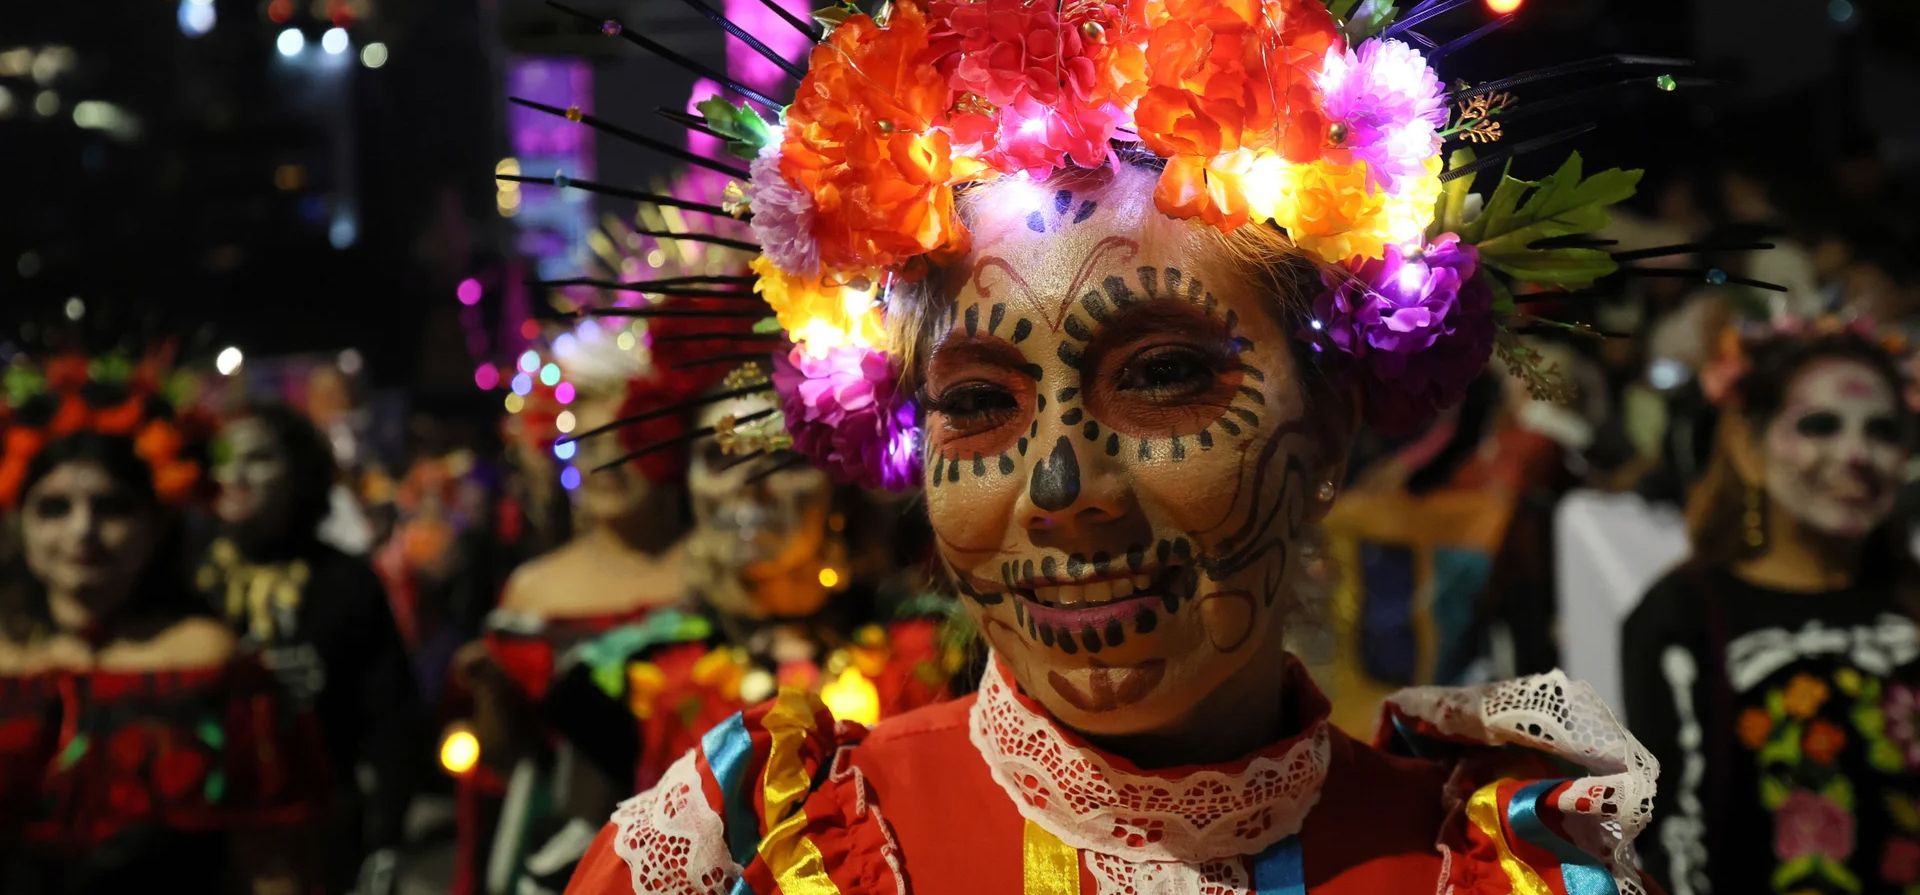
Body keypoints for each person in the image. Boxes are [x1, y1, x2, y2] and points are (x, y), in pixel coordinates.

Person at [1624, 320, 1920, 895]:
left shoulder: (1912, 601)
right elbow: (1674, 841)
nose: (1857, 454)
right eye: (1819, 425)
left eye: (1883, 431)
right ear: (1747, 448)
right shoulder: (1682, 615)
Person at [0, 370, 323, 893]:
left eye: (111, 507)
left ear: (156, 525)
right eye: (53, 508)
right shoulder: (6, 659)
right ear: (20, 524)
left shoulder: (209, 666)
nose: (82, 531)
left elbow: (269, 859)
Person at [196, 401, 423, 895]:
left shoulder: (345, 581)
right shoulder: (180, 576)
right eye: (222, 456)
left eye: (258, 458)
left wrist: (385, 837)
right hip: (199, 838)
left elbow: (390, 720)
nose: (235, 474)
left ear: (298, 471)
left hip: (320, 836)